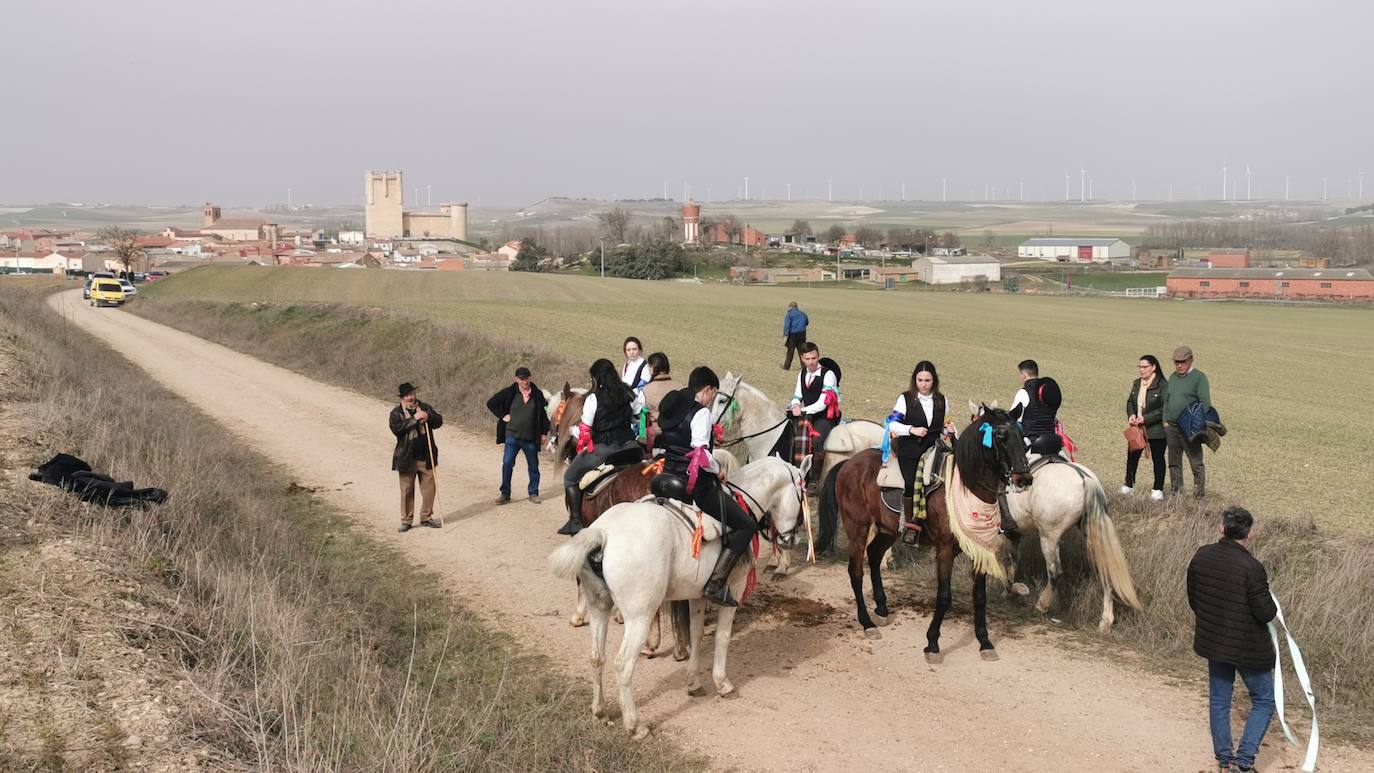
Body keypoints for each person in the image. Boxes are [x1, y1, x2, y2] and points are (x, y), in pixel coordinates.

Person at [655, 366, 757, 607]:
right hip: (694, 485)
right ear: (708, 389)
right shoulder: (699, 413)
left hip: (667, 476)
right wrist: (718, 470)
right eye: (713, 394)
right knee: (746, 525)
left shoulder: (675, 406)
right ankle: (716, 584)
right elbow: (700, 453)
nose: (712, 400)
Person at [1186, 507, 1276, 773]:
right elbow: (1266, 612)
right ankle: (1244, 761)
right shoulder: (1253, 567)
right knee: (1263, 700)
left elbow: (1195, 599)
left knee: (1219, 701)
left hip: (1214, 641)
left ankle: (1224, 761)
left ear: (1221, 529)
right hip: (1249, 648)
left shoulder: (1201, 556)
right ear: (1249, 534)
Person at [558, 358, 646, 535]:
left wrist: (571, 429)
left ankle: (575, 521)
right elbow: (639, 416)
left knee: (570, 477)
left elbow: (585, 431)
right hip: (631, 447)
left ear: (596, 379)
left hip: (605, 450)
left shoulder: (593, 398)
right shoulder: (629, 393)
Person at [887, 361, 955, 543]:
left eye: (927, 380)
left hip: (934, 450)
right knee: (910, 483)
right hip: (910, 448)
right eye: (920, 380)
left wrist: (948, 430)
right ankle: (910, 524)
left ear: (934, 381)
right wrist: (911, 430)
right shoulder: (905, 399)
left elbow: (942, 426)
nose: (923, 384)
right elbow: (892, 424)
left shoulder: (942, 400)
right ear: (914, 380)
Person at [486, 366, 550, 505]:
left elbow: (545, 415)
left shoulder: (538, 395)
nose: (524, 381)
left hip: (531, 438)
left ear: (529, 378)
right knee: (507, 463)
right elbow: (491, 403)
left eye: (526, 378)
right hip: (512, 436)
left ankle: (533, 493)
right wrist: (503, 415)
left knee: (533, 466)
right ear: (516, 379)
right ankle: (505, 493)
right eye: (521, 379)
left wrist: (544, 433)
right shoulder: (509, 392)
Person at [389, 382, 444, 533]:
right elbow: (397, 429)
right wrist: (415, 419)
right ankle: (406, 520)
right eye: (407, 395)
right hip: (406, 457)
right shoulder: (396, 413)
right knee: (406, 490)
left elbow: (439, 421)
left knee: (429, 489)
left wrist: (428, 416)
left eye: (412, 394)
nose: (411, 397)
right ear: (402, 397)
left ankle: (426, 517)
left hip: (426, 455)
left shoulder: (425, 407)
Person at [1164, 345, 1212, 498]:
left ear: (1191, 360)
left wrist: (1192, 423)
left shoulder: (1199, 378)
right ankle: (1176, 494)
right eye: (1176, 362)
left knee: (1196, 463)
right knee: (1173, 462)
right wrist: (1165, 420)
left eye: (1183, 362)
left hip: (1189, 428)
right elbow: (1167, 400)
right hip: (1171, 427)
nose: (1179, 365)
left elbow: (1205, 404)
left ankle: (1199, 497)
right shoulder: (1172, 377)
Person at [1123, 354, 1169, 501]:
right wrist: (1131, 415)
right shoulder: (1137, 383)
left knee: (1158, 459)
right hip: (1137, 429)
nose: (1141, 370)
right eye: (1140, 367)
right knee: (1132, 457)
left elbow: (1165, 408)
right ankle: (1128, 486)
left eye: (1145, 367)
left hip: (1156, 430)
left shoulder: (1163, 385)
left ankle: (1157, 489)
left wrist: (1146, 418)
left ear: (1154, 367)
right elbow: (1130, 401)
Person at [789, 342, 840, 466]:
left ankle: (816, 477)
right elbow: (797, 396)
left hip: (824, 417)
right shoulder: (802, 374)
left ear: (818, 356)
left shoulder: (828, 374)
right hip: (806, 414)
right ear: (802, 358)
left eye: (814, 358)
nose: (811, 362)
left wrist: (802, 410)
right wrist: (795, 405)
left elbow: (823, 403)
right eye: (807, 359)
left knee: (816, 441)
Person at [1009, 359, 1063, 457]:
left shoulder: (1023, 393)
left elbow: (1012, 419)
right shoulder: (1050, 392)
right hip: (1054, 442)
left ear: (1024, 375)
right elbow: (1056, 418)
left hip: (1033, 443)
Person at [640, 352, 680, 450]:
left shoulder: (646, 390)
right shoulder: (680, 387)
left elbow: (638, 411)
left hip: (657, 440)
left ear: (653, 368)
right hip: (678, 438)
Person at [781, 301, 809, 370]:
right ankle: (804, 367)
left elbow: (787, 326)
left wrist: (785, 335)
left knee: (790, 351)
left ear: (791, 307)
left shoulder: (789, 314)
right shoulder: (803, 314)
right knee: (802, 351)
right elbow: (807, 323)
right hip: (802, 334)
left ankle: (786, 367)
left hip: (793, 335)